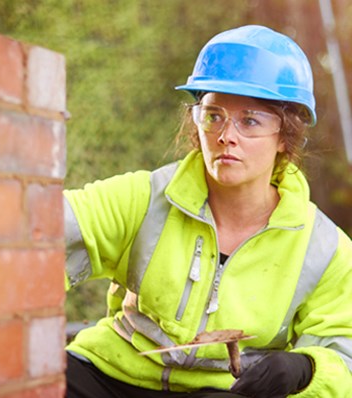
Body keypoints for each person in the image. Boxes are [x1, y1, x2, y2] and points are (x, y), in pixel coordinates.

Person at [63, 25, 352, 398]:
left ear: (285, 136)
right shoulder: (146, 197)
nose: (225, 135)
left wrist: (306, 369)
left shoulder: (326, 250)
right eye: (213, 115)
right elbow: (43, 228)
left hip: (221, 393)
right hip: (110, 376)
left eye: (249, 120)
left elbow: (346, 358)